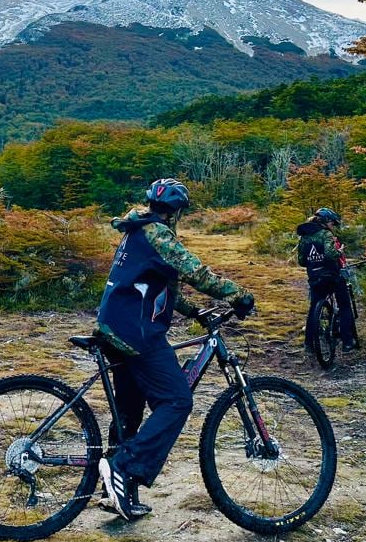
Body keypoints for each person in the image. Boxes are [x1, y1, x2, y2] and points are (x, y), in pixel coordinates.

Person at [95, 178, 255, 521]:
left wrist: (193, 311)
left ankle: (114, 490)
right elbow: (195, 271)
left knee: (130, 413)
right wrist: (237, 294)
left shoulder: (136, 229)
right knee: (177, 400)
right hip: (136, 332)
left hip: (115, 325)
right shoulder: (158, 233)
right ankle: (122, 467)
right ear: (178, 211)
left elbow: (154, 283)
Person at [297, 208, 357, 352]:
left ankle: (309, 345)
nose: (333, 226)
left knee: (313, 308)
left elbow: (301, 261)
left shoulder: (305, 237)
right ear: (325, 221)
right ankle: (347, 342)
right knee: (344, 305)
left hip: (314, 277)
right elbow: (330, 254)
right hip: (332, 275)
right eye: (332, 223)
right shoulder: (326, 234)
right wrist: (339, 252)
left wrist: (314, 261)